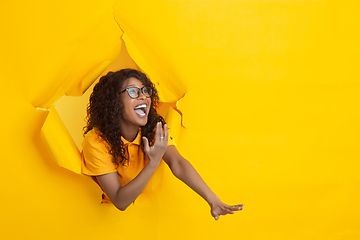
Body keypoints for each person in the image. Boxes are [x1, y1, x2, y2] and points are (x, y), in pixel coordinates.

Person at [81, 68, 243, 220]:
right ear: (115, 102)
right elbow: (119, 201)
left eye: (145, 91)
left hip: (147, 215)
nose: (143, 96)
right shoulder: (95, 141)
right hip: (101, 216)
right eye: (133, 92)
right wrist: (153, 163)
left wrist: (212, 199)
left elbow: (178, 163)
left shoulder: (153, 129)